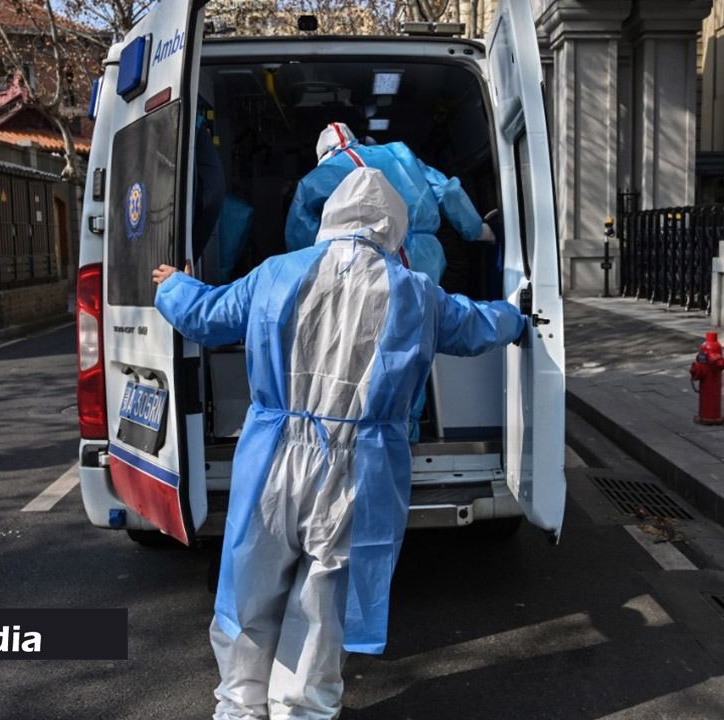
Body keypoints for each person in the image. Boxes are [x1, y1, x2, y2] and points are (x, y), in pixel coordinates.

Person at [151, 167, 525, 719]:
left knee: (250, 587)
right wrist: (519, 316)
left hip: (272, 458)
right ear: (394, 226)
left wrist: (172, 286)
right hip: (361, 466)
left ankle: (239, 707)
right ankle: (300, 710)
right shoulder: (416, 292)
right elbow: (476, 326)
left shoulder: (276, 272)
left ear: (329, 216)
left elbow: (205, 316)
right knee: (324, 603)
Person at [284, 122, 496, 441]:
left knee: (368, 341)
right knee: (416, 335)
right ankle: (407, 428)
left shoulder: (316, 179)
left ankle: (369, 430)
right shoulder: (399, 153)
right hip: (425, 253)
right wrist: (477, 230)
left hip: (361, 261)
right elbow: (447, 190)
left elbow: (301, 238)